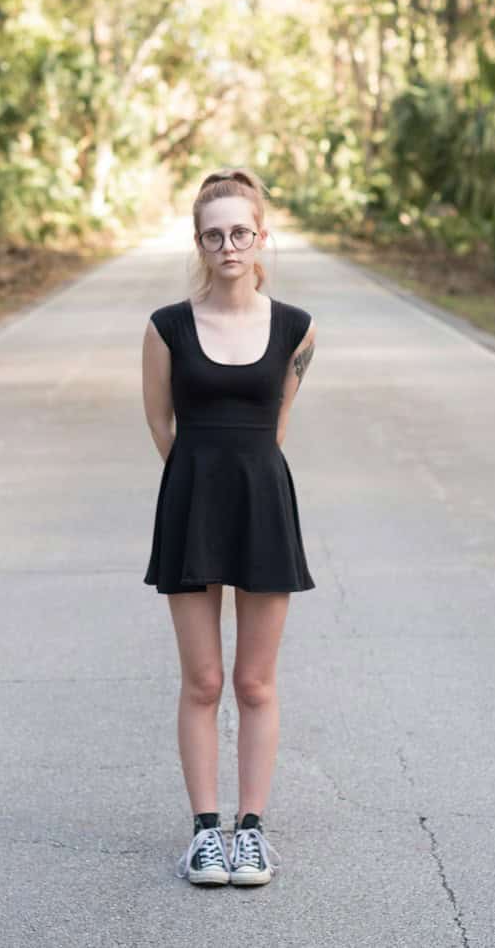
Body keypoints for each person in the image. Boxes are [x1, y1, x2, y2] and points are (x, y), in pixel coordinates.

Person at [141, 166, 317, 888]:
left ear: (261, 236)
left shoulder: (298, 328)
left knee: (255, 682)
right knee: (204, 680)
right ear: (199, 243)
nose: (229, 245)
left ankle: (252, 831)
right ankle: (205, 834)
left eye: (240, 231)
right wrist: (197, 481)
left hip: (263, 505)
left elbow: (278, 423)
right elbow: (160, 419)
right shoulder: (167, 327)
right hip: (190, 503)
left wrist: (241, 476)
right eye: (214, 235)